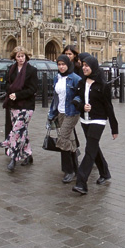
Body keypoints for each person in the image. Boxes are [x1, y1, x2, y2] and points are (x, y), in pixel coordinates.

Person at [71, 56, 118, 195]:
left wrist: (114, 128)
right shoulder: (81, 83)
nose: (84, 68)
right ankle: (105, 172)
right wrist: (81, 106)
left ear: (94, 67)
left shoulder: (103, 85)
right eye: (83, 65)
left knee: (89, 150)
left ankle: (81, 183)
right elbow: (75, 100)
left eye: (87, 65)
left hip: (98, 120)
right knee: (94, 147)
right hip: (85, 120)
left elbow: (109, 107)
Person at [1, 46, 38, 172]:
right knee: (22, 131)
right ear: (15, 57)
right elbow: (6, 84)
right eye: (18, 56)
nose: (21, 58)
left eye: (23, 56)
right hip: (14, 105)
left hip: (26, 106)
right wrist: (11, 92)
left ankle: (13, 158)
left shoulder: (32, 70)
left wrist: (17, 95)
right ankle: (28, 155)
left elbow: (32, 89)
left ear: (26, 57)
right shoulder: (11, 69)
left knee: (17, 131)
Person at [47, 55, 82, 183]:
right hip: (60, 112)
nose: (61, 67)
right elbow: (56, 98)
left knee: (63, 138)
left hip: (72, 112)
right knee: (70, 140)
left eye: (63, 64)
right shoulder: (57, 78)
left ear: (68, 64)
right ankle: (77, 169)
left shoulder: (75, 78)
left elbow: (81, 94)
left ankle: (69, 171)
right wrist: (52, 113)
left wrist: (77, 101)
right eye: (59, 64)